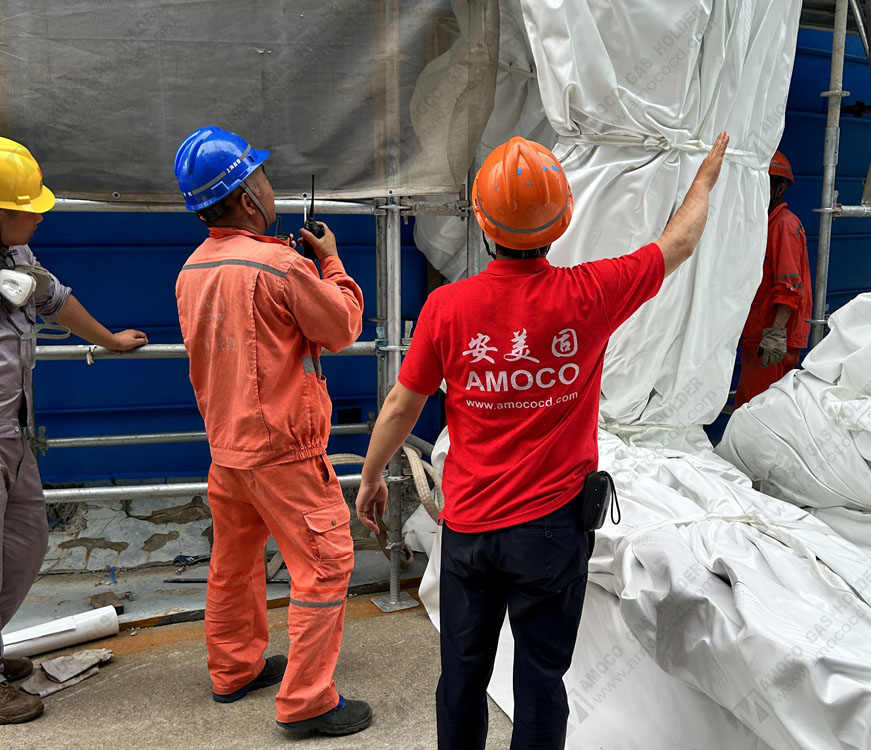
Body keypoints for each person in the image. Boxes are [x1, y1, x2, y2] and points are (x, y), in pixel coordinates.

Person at [356, 132, 730, 749]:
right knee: (540, 682)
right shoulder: (590, 294)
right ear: (561, 222)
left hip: (470, 531)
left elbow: (401, 405)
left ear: (482, 222)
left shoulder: (447, 307)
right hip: (552, 533)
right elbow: (680, 242)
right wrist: (706, 177)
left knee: (462, 679)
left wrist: (372, 477)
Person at [172, 126, 371, 736]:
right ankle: (309, 701)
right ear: (246, 196)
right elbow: (342, 326)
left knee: (233, 562)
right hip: (285, 451)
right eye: (260, 176)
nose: (269, 185)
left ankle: (234, 668)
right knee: (326, 564)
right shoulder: (281, 266)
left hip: (228, 449)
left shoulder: (192, 269)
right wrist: (329, 261)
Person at [0, 137, 147, 724]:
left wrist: (109, 340)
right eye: (27, 207)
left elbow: (54, 298)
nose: (39, 215)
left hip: (14, 430)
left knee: (24, 542)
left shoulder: (16, 256)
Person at [734, 151, 812, 407]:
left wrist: (776, 334)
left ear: (780, 188)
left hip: (772, 337)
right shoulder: (765, 224)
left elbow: (790, 287)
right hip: (760, 332)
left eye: (765, 185)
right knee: (755, 405)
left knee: (757, 407)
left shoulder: (784, 226)